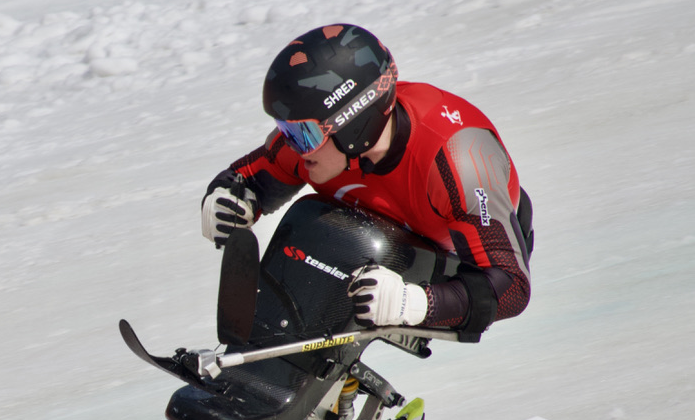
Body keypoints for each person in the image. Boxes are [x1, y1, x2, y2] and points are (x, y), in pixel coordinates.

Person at [201, 24, 533, 337]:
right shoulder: (317, 148)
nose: (290, 145)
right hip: (382, 239)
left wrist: (415, 303)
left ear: (351, 123)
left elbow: (512, 287)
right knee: (312, 223)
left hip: (462, 261)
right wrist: (224, 202)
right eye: (285, 130)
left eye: (301, 133)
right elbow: (241, 180)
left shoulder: (459, 158)